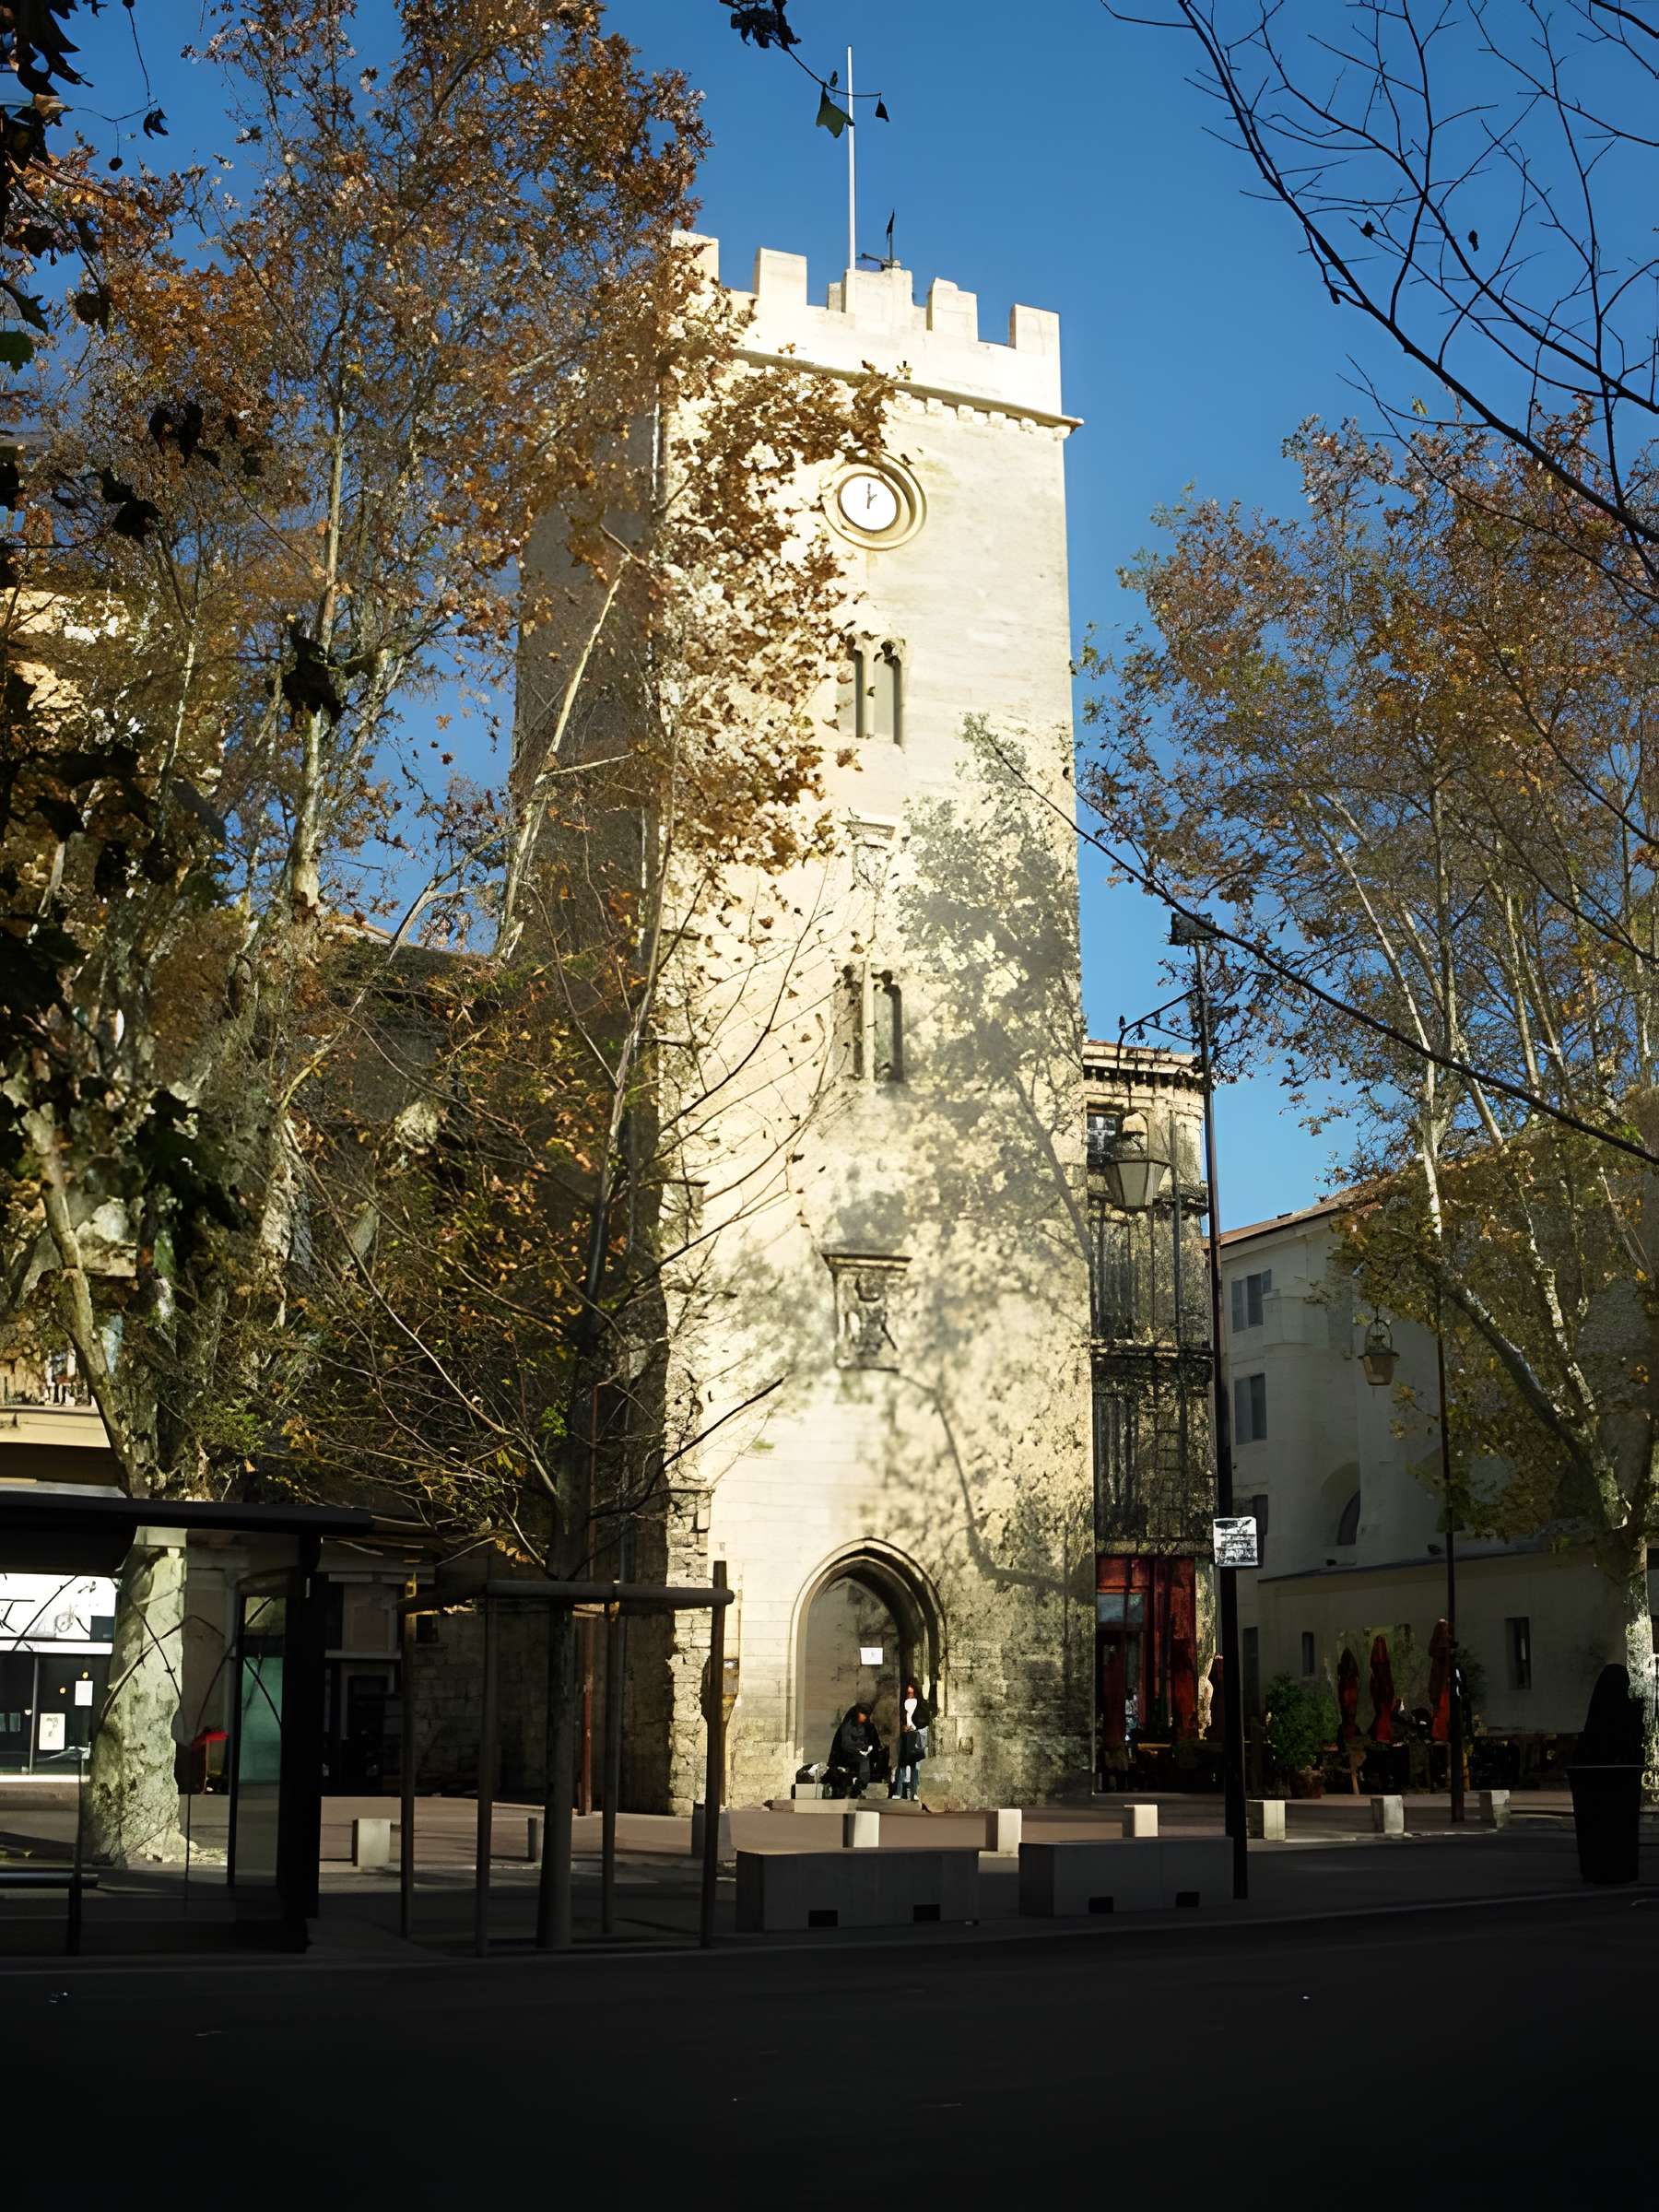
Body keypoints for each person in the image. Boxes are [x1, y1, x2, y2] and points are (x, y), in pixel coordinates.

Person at [826, 1700, 882, 1799]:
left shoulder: (868, 1726)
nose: (864, 1717)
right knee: (863, 1762)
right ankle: (857, 1784)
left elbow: (874, 1741)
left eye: (866, 1715)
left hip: (864, 1754)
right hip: (847, 1755)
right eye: (862, 1714)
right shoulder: (848, 1725)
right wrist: (859, 1749)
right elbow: (845, 1744)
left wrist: (870, 1747)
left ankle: (861, 1783)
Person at [890, 1679, 931, 1803]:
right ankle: (898, 1791)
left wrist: (914, 1727)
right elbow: (899, 1719)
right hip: (905, 1736)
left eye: (912, 1693)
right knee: (901, 1765)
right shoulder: (903, 1705)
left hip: (915, 1736)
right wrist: (904, 1726)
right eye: (908, 1693)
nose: (910, 1695)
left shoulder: (921, 1706)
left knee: (914, 1766)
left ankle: (914, 1793)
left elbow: (924, 1720)